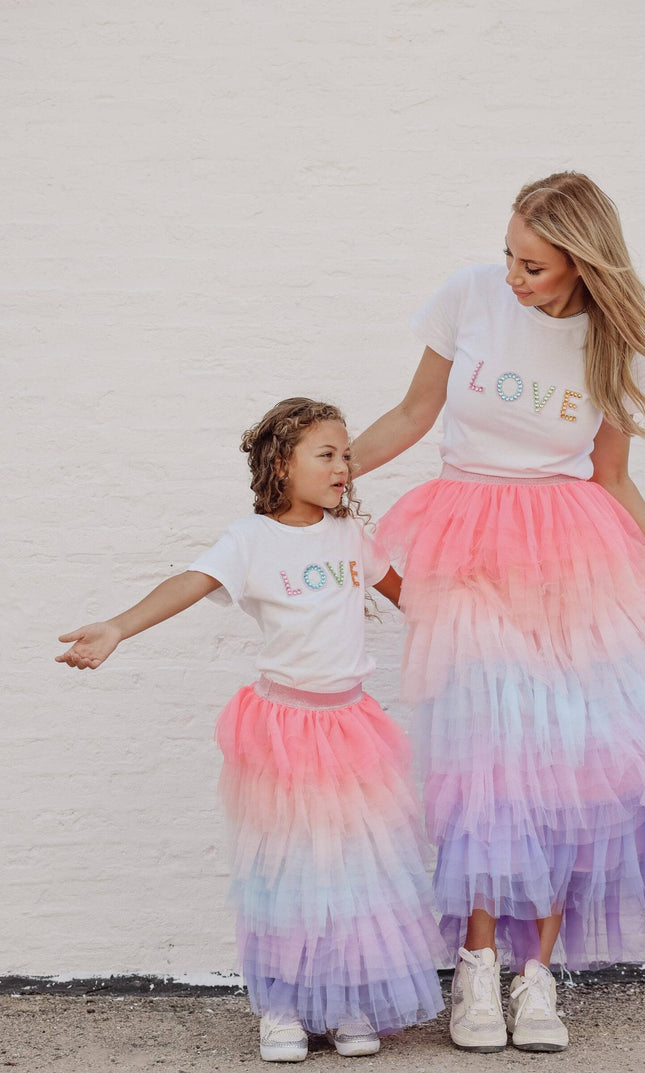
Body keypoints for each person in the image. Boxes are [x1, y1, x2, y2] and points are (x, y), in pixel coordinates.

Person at [351, 172, 645, 1055]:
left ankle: (535, 975)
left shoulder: (612, 346)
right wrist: (321, 477)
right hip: (465, 543)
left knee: (560, 768)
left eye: (533, 266)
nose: (512, 275)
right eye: (508, 254)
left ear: (582, 262)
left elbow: (611, 477)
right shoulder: (469, 295)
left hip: (570, 558)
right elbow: (414, 413)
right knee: (483, 759)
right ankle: (475, 966)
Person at [56, 397, 446, 1064]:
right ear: (281, 464)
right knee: (288, 870)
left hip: (352, 728)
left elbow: (412, 598)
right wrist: (118, 626)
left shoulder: (352, 535)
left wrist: (493, 613)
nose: (343, 467)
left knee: (354, 869)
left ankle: (344, 998)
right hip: (284, 731)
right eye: (326, 454)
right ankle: (283, 1005)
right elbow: (189, 582)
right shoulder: (251, 540)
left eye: (346, 454)